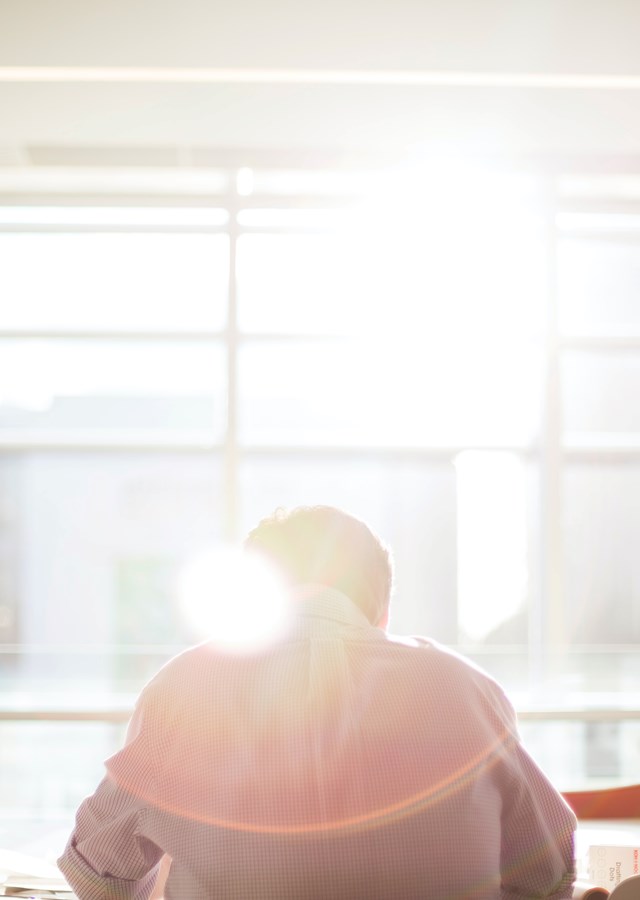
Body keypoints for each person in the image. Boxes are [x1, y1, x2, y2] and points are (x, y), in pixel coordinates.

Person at [58, 505, 576, 899]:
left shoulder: (185, 686)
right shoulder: (466, 689)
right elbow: (548, 872)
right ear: (383, 607)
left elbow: (98, 875)